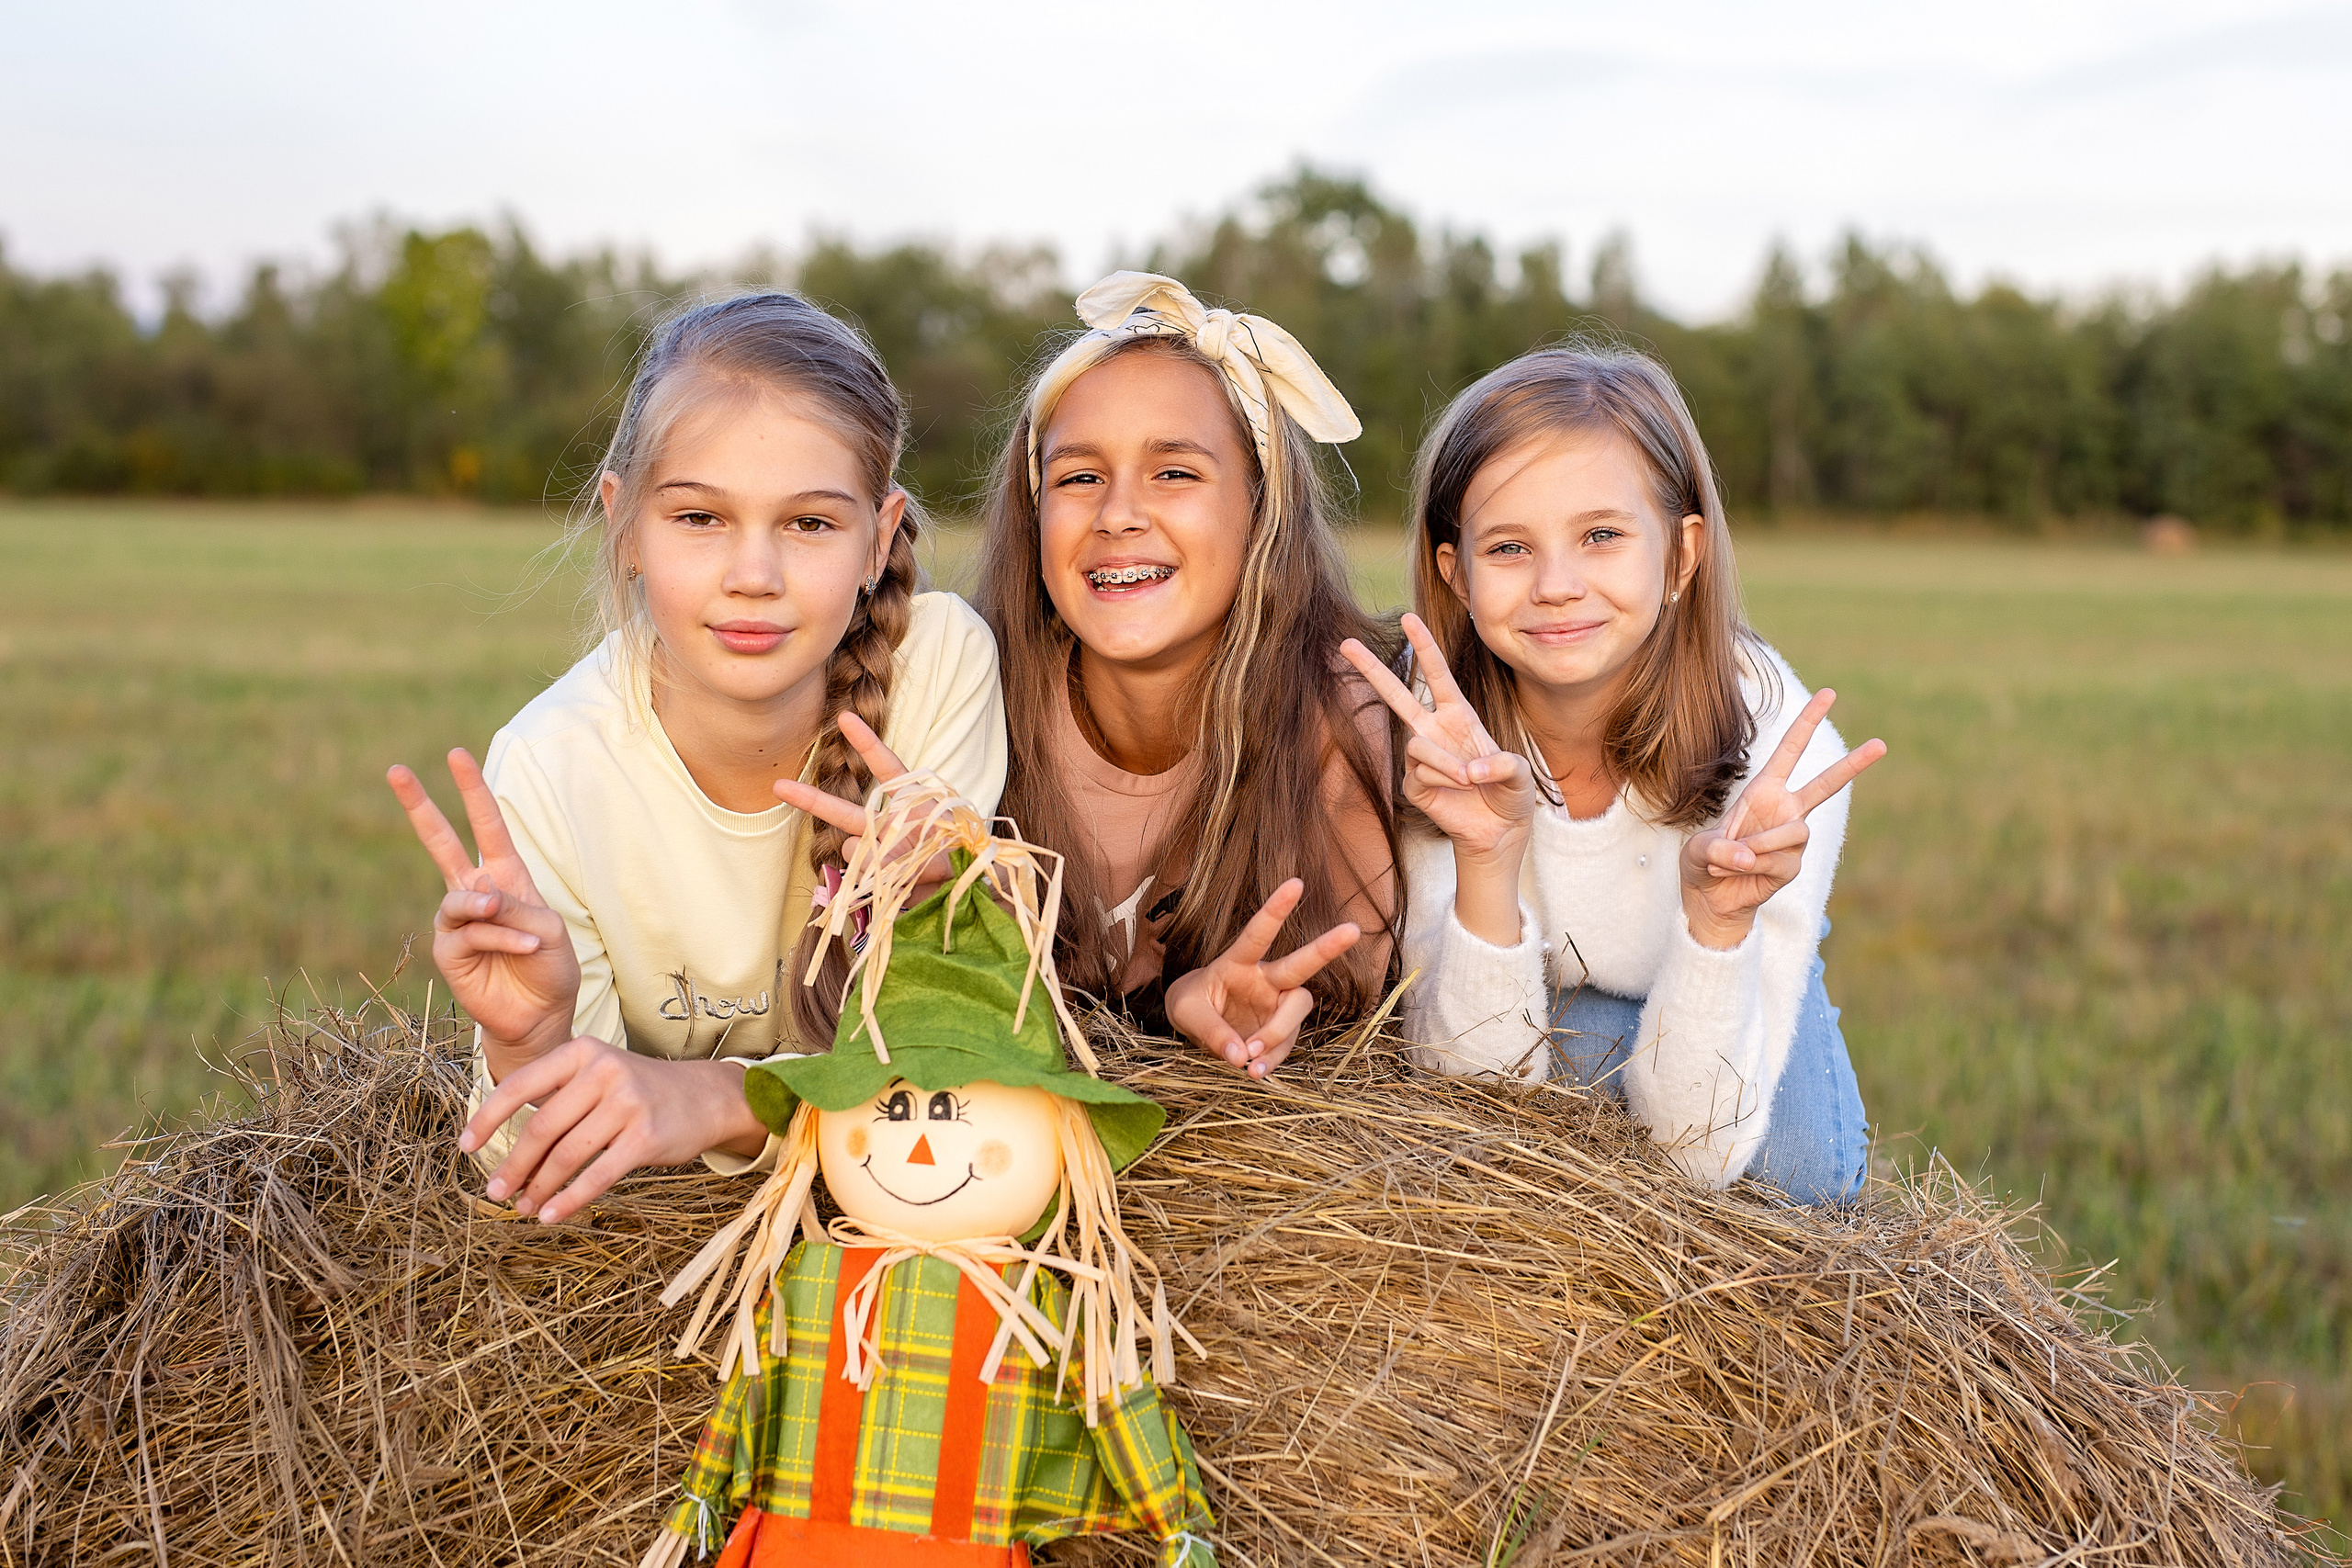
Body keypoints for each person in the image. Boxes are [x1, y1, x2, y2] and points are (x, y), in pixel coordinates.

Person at [385, 291, 1005, 1225]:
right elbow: (544, 1180)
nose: (753, 575)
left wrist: (716, 1099)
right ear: (627, 527)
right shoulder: (552, 769)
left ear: (879, 541)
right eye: (700, 518)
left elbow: (960, 1067)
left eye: (809, 524)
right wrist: (529, 1041)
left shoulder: (940, 669)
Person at [1341, 344, 1886, 1202]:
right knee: (1555, 1079)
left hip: (1716, 964)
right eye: (1509, 546)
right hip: (1520, 979)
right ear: (1457, 574)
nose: (1557, 585)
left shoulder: (1780, 753)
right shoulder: (1432, 730)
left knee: (1802, 1170)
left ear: (1680, 554)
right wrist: (1485, 859)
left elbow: (1696, 1155)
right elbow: (1470, 1104)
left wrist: (1717, 923)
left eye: (1601, 535)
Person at [968, 273, 1396, 1079]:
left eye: (1174, 473)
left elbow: (1349, 1003)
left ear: (1261, 507)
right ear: (1034, 511)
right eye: (1079, 476)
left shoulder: (1338, 723)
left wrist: (1213, 1009)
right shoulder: (974, 696)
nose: (1119, 513)